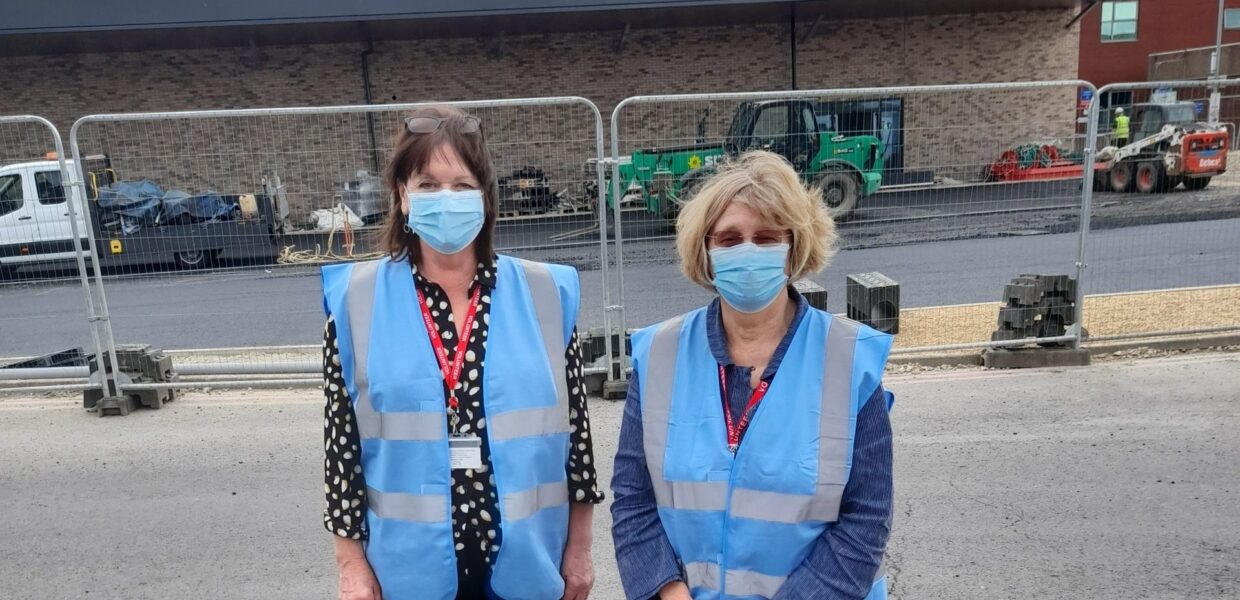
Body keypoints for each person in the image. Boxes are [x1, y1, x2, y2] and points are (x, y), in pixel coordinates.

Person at [321, 105, 602, 600]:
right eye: (428, 185)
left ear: (485, 198)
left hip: (526, 564)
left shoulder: (546, 294)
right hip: (409, 572)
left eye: (462, 185)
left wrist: (580, 548)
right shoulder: (356, 300)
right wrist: (350, 565)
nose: (445, 199)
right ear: (403, 196)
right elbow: (341, 450)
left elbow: (576, 437)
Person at [611, 150, 895, 600]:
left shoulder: (848, 360)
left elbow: (867, 517)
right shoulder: (659, 354)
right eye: (729, 239)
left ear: (793, 247)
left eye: (765, 238)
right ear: (706, 251)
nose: (747, 252)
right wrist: (667, 591)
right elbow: (633, 499)